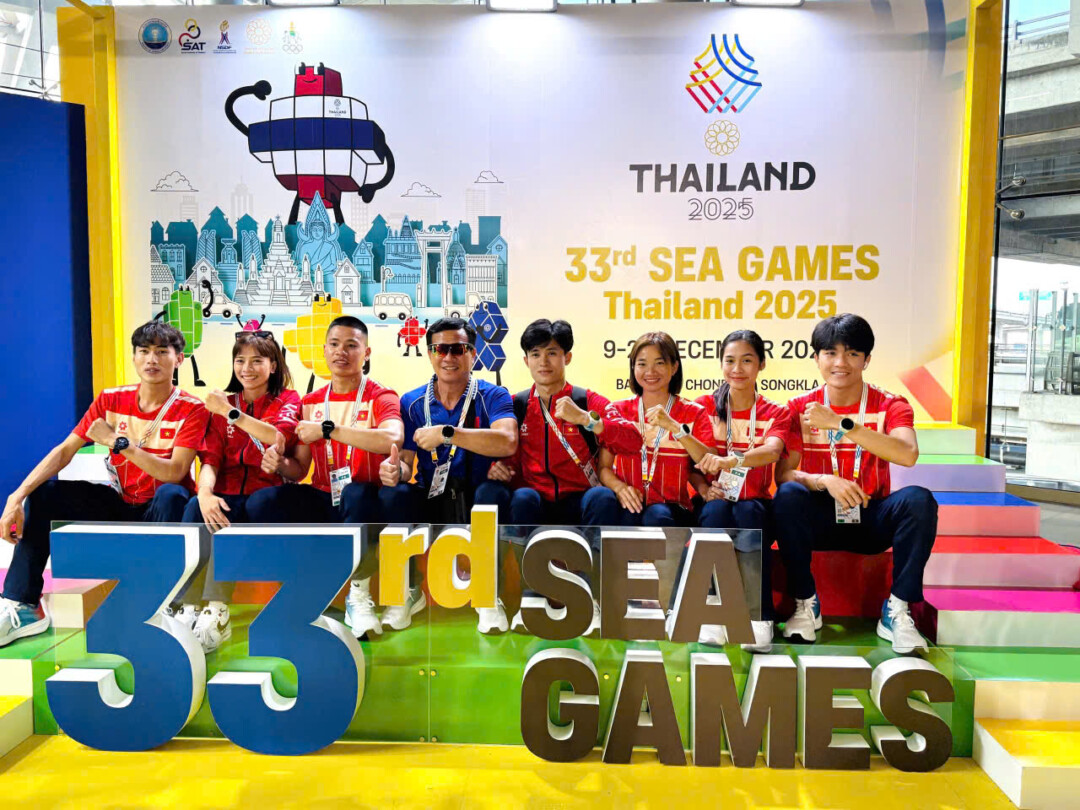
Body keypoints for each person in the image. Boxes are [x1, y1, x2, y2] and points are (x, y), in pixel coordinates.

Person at [0, 322, 208, 647]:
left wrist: (117, 443)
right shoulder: (111, 399)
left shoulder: (192, 408)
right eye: (144, 351)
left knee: (173, 494)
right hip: (121, 503)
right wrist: (17, 496)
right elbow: (65, 451)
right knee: (45, 494)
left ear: (179, 359)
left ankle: (162, 603)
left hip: (163, 508)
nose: (151, 359)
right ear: (134, 357)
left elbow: (175, 471)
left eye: (161, 352)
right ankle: (23, 604)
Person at [773, 314, 937, 655]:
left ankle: (898, 610)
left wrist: (842, 424)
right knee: (788, 495)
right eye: (831, 353)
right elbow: (784, 474)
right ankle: (805, 604)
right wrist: (823, 480)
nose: (840, 363)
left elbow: (907, 454)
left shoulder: (890, 404)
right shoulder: (798, 408)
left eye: (851, 353)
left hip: (871, 517)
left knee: (919, 500)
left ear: (867, 359)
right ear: (816, 358)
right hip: (821, 519)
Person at [247, 316, 404, 640]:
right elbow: (300, 469)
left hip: (365, 501)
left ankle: (358, 595)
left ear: (366, 353)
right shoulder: (312, 402)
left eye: (351, 345)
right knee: (262, 503)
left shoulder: (381, 395)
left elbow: (392, 437)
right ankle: (302, 588)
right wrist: (280, 463)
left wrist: (329, 430)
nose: (341, 352)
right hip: (324, 495)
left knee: (357, 493)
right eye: (334, 344)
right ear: (324, 350)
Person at [487, 319, 641, 634]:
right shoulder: (516, 404)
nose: (544, 361)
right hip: (537, 501)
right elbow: (505, 452)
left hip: (578, 500)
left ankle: (592, 600)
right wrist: (498, 468)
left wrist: (587, 420)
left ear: (567, 357)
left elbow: (633, 439)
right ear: (526, 360)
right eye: (536, 354)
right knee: (521, 498)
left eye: (552, 353)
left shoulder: (586, 400)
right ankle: (530, 599)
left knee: (602, 498)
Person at [380, 317, 518, 634]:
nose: (449, 357)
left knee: (492, 496)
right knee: (395, 495)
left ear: (473, 353)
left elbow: (508, 441)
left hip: (477, 496)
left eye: (458, 349)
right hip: (432, 494)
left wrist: (448, 434)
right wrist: (395, 471)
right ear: (430, 353)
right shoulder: (412, 402)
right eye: (440, 349)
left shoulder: (494, 395)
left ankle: (487, 593)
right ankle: (405, 592)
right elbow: (405, 462)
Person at [177, 329, 301, 653]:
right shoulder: (224, 404)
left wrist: (230, 413)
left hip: (265, 496)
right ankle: (187, 606)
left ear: (273, 365)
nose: (247, 368)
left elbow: (278, 436)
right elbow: (210, 460)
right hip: (227, 492)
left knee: (250, 508)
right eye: (240, 360)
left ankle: (217, 610)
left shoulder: (288, 400)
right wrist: (205, 493)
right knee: (195, 507)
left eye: (257, 361)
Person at [671, 330, 791, 653]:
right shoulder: (702, 407)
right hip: (713, 500)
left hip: (755, 503)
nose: (737, 369)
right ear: (721, 363)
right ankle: (711, 608)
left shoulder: (775, 412)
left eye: (747, 360)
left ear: (761, 364)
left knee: (749, 514)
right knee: (715, 511)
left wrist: (732, 460)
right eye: (730, 361)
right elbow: (691, 462)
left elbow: (772, 451)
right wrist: (702, 488)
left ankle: (758, 615)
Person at [598, 332, 713, 527]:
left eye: (659, 363)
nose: (650, 371)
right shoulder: (617, 411)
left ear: (674, 367)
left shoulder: (694, 412)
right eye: (642, 364)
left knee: (657, 516)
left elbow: (709, 461)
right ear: (633, 368)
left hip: (673, 507)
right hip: (630, 502)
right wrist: (620, 488)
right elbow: (604, 468)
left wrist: (675, 427)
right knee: (625, 515)